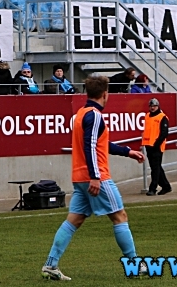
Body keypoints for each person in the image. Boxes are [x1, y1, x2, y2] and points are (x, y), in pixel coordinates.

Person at [41, 75, 146, 281]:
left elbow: (98, 144)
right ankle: (133, 264)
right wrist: (95, 177)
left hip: (79, 177)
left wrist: (127, 152)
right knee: (120, 216)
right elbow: (90, 146)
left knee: (75, 220)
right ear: (105, 94)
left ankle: (51, 264)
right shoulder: (95, 115)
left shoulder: (81, 114)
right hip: (95, 177)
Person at [142, 98, 171, 196]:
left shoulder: (162, 117)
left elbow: (164, 133)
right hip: (148, 145)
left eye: (154, 106)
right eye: (150, 106)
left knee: (155, 168)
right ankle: (166, 186)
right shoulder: (147, 116)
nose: (152, 108)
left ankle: (152, 188)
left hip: (157, 146)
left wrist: (156, 144)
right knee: (156, 167)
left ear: (158, 106)